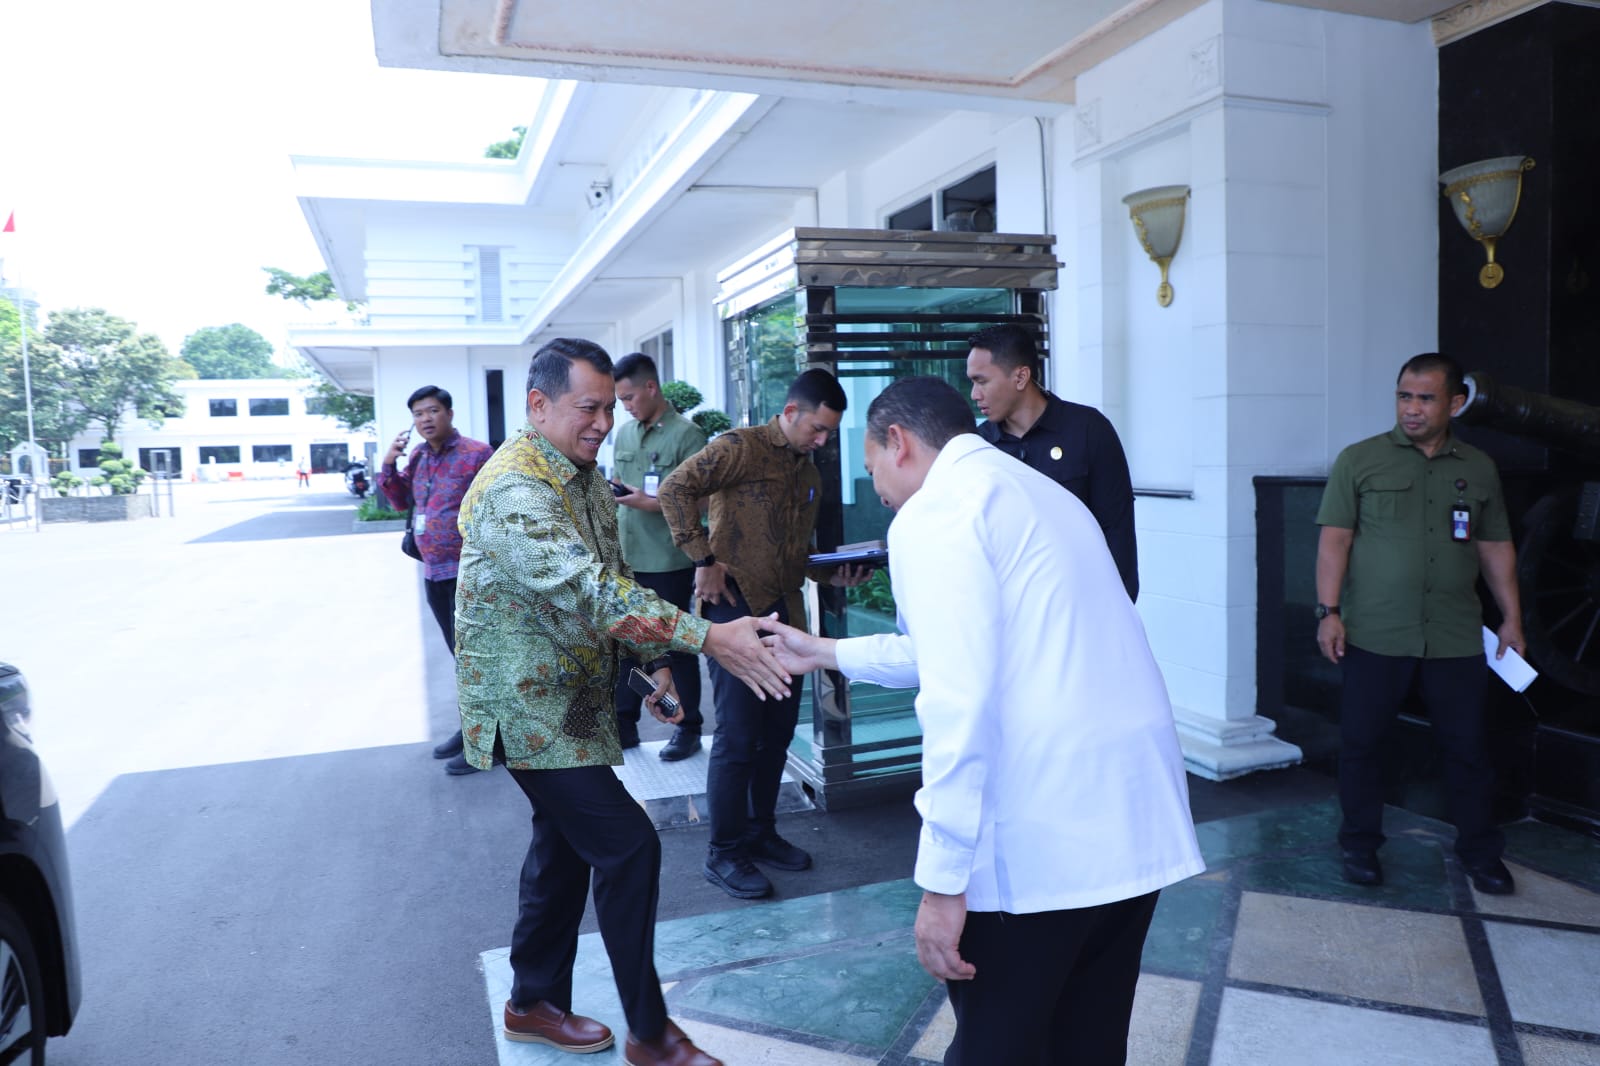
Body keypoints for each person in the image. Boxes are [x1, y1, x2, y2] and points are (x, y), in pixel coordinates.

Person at [760, 376, 1203, 1065]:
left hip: (1044, 839)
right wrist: (823, 651)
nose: (873, 485)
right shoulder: (1033, 492)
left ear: (898, 443)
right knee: (1087, 1040)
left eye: (870, 464)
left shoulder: (937, 513)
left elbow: (957, 700)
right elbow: (962, 648)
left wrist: (942, 883)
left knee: (997, 1046)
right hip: (1131, 824)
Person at [455, 337, 791, 1065]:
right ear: (538, 405)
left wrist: (653, 663)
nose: (605, 421)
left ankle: (532, 1001)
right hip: (524, 706)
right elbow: (591, 590)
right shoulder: (515, 488)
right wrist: (710, 639)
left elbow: (615, 572)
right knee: (628, 845)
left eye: (610, 406)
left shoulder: (580, 473)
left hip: (573, 693)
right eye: (589, 407)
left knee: (564, 849)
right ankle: (650, 1033)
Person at [1315, 353, 1523, 895]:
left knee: (1469, 749)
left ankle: (1480, 853)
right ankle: (1359, 847)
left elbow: (1494, 544)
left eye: (1425, 398)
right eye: (1404, 396)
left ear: (1454, 404)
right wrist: (1328, 612)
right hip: (1375, 633)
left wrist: (1513, 618)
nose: (1412, 408)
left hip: (1454, 634)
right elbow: (1334, 540)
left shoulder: (1477, 468)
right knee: (1363, 746)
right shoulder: (1359, 461)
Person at [658, 368, 869, 900]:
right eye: (817, 429)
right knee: (736, 738)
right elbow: (675, 489)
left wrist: (832, 569)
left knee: (774, 733)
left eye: (828, 433)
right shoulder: (741, 447)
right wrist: (702, 557)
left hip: (785, 613)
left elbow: (794, 550)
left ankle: (759, 833)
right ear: (792, 412)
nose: (822, 441)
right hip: (733, 610)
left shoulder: (806, 468)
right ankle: (723, 853)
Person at [967, 323, 1140, 601]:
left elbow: (1116, 527)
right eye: (972, 382)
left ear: (1021, 376)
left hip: (1083, 605)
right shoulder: (979, 446)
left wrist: (1116, 607)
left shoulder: (1087, 429)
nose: (975, 394)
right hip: (1014, 613)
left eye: (982, 381)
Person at [377, 384, 494, 776]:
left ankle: (489, 743)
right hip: (434, 573)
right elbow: (399, 501)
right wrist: (389, 464)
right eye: (417, 414)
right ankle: (471, 730)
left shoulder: (477, 454)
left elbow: (497, 510)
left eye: (431, 411)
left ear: (449, 413)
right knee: (461, 660)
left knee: (479, 659)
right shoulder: (419, 456)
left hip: (470, 576)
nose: (424, 419)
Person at [608, 353, 709, 761]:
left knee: (674, 645)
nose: (627, 405)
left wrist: (649, 504)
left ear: (652, 388)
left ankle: (688, 726)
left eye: (630, 396)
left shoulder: (688, 436)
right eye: (622, 400)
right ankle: (624, 722)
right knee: (627, 642)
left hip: (668, 559)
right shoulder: (626, 434)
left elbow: (702, 500)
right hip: (627, 555)